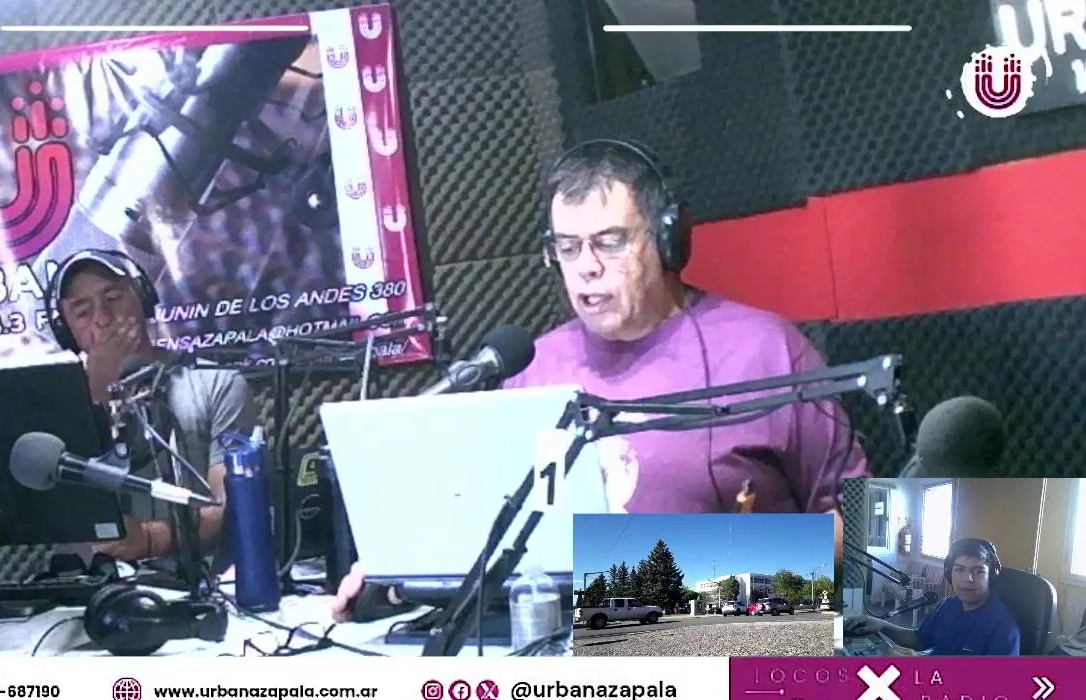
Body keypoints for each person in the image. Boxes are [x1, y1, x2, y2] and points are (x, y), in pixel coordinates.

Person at [330, 138, 864, 620]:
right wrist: (405, 578)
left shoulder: (765, 350)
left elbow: (870, 535)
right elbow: (505, 535)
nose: (586, 266)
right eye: (568, 247)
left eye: (610, 241)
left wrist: (716, 572)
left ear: (667, 240)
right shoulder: (531, 368)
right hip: (565, 641)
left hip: (728, 630)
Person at [45, 248, 257, 561]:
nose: (103, 318)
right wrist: (97, 396)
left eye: (113, 298)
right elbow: (63, 510)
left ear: (142, 300)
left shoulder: (217, 385)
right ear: (67, 331)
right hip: (92, 583)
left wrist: (152, 539)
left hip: (198, 580)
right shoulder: (53, 408)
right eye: (83, 311)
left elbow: (235, 507)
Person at [844, 538, 1020, 656]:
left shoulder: (1003, 625)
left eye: (979, 571)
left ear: (992, 576)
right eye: (959, 569)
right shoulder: (948, 605)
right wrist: (882, 625)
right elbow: (920, 639)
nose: (968, 579)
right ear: (949, 573)